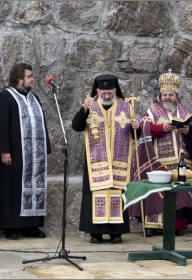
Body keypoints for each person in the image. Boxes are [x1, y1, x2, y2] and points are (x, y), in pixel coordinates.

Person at [129, 70, 192, 237]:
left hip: (181, 162)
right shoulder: (152, 111)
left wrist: (188, 130)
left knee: (178, 193)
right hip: (157, 161)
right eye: (165, 94)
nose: (168, 97)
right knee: (156, 192)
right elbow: (142, 128)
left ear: (176, 95)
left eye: (171, 94)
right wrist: (161, 128)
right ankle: (151, 226)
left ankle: (176, 226)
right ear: (160, 95)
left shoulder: (185, 113)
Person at [72, 74, 140, 244]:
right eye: (104, 93)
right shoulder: (90, 106)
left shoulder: (126, 107)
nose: (107, 96)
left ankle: (116, 233)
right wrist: (84, 109)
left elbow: (135, 135)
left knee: (117, 192)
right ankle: (95, 233)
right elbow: (76, 126)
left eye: (110, 93)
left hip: (119, 159)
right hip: (96, 159)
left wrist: (136, 128)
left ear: (115, 91)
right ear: (97, 91)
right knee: (96, 193)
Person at [0, 63, 51, 240]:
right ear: (19, 78)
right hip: (15, 154)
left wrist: (46, 149)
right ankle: (11, 227)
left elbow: (42, 124)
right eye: (29, 76)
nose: (33, 79)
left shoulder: (34, 97)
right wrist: (4, 150)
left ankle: (32, 226)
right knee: (13, 189)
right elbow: (2, 125)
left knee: (35, 187)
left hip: (35, 156)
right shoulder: (5, 97)